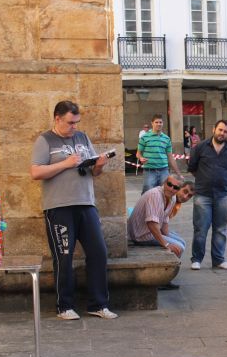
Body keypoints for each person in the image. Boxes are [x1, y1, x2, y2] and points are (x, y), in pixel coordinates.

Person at [30, 100, 117, 320]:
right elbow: (36, 172)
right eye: (70, 123)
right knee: (64, 257)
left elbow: (94, 173)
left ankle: (98, 304)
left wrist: (98, 164)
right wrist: (65, 164)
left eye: (77, 122)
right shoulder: (45, 140)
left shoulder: (82, 137)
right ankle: (64, 306)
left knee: (98, 252)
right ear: (57, 119)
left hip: (86, 203)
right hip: (59, 207)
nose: (74, 127)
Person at [187, 119, 227, 270]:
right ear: (214, 129)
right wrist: (205, 179)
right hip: (202, 195)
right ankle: (196, 259)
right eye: (220, 130)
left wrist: (222, 181)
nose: (222, 133)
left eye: (225, 131)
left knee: (220, 229)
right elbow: (192, 167)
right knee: (200, 228)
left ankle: (218, 260)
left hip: (223, 195)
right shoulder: (200, 147)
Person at [128, 175, 195, 289]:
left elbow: (164, 222)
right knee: (179, 247)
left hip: (149, 231)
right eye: (169, 185)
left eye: (175, 187)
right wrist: (166, 244)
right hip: (141, 235)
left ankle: (166, 276)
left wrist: (168, 238)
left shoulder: (172, 198)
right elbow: (151, 224)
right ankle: (163, 280)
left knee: (181, 242)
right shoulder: (155, 195)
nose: (172, 189)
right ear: (164, 183)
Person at [137, 114, 182, 194]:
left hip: (164, 170)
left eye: (160, 122)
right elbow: (138, 153)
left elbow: (170, 157)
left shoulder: (166, 138)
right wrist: (140, 158)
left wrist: (178, 173)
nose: (158, 124)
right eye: (156, 122)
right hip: (150, 170)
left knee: (165, 193)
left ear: (163, 123)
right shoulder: (144, 137)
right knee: (148, 193)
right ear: (152, 123)